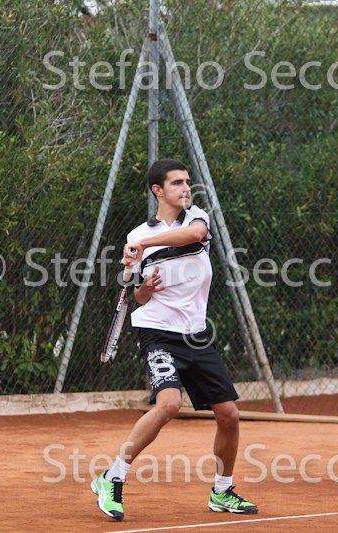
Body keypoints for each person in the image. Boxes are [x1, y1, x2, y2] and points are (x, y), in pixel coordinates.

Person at [90, 159, 258, 521]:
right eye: (177, 183)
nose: (186, 188)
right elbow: (138, 297)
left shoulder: (194, 217)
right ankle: (112, 477)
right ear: (158, 190)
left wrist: (143, 245)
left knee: (229, 414)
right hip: (158, 332)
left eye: (187, 182)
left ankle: (222, 490)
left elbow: (193, 236)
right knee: (168, 405)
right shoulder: (136, 236)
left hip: (195, 335)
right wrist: (145, 287)